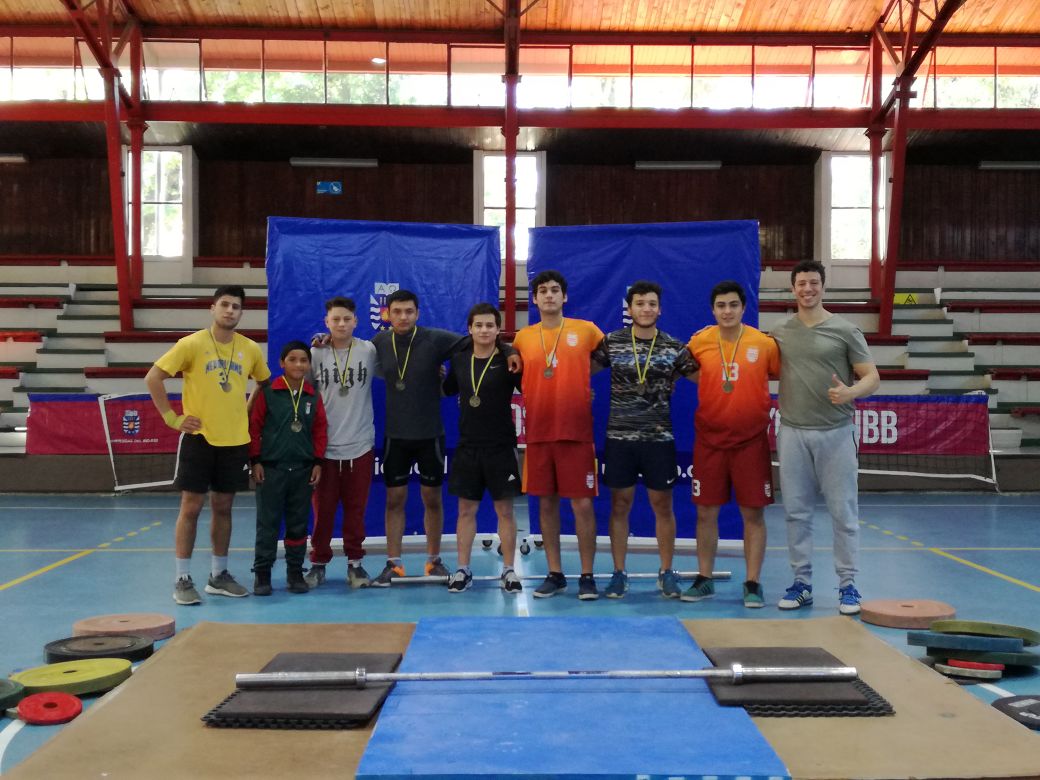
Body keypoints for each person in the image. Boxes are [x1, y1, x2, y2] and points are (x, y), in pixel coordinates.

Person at [368, 289, 518, 586]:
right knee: (394, 500)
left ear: (417, 313)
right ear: (388, 314)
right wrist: (324, 340)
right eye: (397, 311)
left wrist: (510, 350)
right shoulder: (379, 342)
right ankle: (393, 563)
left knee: (432, 499)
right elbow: (351, 351)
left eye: (409, 311)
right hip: (396, 435)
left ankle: (433, 561)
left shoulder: (435, 338)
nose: (403, 317)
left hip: (431, 434)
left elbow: (480, 340)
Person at [145, 285, 271, 606]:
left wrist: (245, 409)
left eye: (236, 306)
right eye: (224, 304)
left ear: (241, 313)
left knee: (223, 508)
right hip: (199, 440)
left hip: (235, 441)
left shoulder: (250, 349)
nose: (230, 311)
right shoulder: (192, 344)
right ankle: (182, 578)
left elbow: (263, 382)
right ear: (213, 308)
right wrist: (172, 418)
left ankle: (218, 575)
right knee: (191, 507)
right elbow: (153, 377)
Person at [772, 259, 880, 615]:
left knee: (843, 513)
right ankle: (801, 583)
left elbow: (872, 377)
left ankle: (848, 586)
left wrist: (851, 392)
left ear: (823, 286)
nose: (808, 289)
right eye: (801, 283)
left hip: (836, 434)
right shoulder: (780, 332)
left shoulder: (845, 330)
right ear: (793, 288)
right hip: (793, 433)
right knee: (796, 513)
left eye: (813, 282)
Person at [683, 280, 780, 608]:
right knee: (705, 512)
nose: (727, 311)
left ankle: (752, 583)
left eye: (733, 305)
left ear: (743, 308)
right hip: (709, 440)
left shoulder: (763, 344)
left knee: (752, 513)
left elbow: (787, 375)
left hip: (751, 442)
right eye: (721, 306)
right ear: (713, 310)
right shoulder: (699, 342)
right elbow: (684, 370)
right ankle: (704, 578)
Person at [513, 270, 607, 600]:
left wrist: (580, 379)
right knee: (546, 505)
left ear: (564, 297)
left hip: (576, 432)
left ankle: (587, 575)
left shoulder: (586, 330)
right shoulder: (523, 337)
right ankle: (555, 573)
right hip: (539, 433)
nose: (549, 295)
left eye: (555, 290)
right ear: (535, 299)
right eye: (543, 291)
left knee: (582, 505)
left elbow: (609, 357)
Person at [600, 280, 698, 599]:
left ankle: (666, 571)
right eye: (640, 303)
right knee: (620, 505)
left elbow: (703, 374)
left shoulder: (673, 346)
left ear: (660, 309)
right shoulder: (611, 342)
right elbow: (578, 369)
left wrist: (674, 378)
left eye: (652, 304)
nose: (646, 309)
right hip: (619, 438)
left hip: (659, 438)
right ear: (629, 309)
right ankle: (619, 572)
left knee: (663, 505)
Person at [442, 303, 524, 593]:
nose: (484, 330)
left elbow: (532, 387)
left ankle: (509, 570)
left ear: (498, 329)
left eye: (490, 325)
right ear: (470, 329)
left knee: (505, 511)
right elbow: (447, 389)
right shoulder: (460, 359)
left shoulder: (509, 360)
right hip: (468, 447)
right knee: (466, 510)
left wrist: (510, 350)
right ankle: (463, 569)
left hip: (501, 447)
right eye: (479, 325)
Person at [305, 297, 378, 590]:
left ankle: (355, 564)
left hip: (360, 444)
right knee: (322, 512)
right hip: (325, 447)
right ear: (326, 322)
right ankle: (318, 563)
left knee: (355, 510)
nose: (341, 324)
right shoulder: (316, 352)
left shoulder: (368, 350)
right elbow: (304, 390)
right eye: (335, 319)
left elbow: (397, 366)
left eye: (347, 319)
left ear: (356, 321)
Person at [248, 341, 328, 595]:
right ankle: (262, 573)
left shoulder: (313, 395)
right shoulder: (268, 392)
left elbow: (320, 430)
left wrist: (317, 462)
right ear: (282, 363)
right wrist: (255, 460)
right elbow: (254, 427)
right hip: (271, 469)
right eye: (292, 359)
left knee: (298, 524)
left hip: (303, 470)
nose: (298, 364)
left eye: (303, 360)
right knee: (267, 524)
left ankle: (295, 572)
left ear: (309, 365)